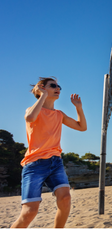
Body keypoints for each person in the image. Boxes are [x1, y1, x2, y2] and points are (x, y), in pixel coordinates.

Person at [11, 77, 87, 228]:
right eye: (53, 85)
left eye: (59, 86)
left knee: (65, 199)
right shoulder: (32, 110)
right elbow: (30, 117)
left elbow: (82, 127)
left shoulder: (59, 114)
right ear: (42, 88)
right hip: (34, 164)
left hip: (55, 162)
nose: (58, 88)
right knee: (29, 212)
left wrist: (78, 107)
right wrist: (43, 96)